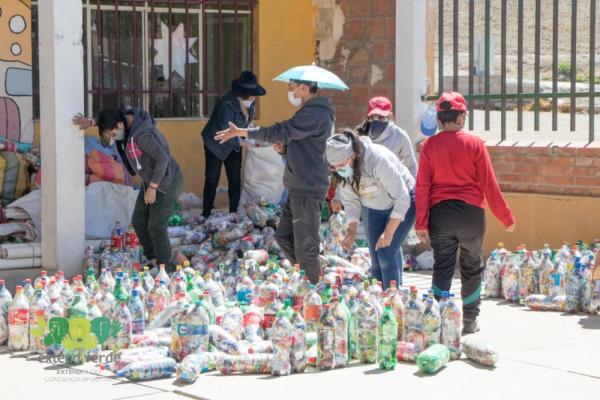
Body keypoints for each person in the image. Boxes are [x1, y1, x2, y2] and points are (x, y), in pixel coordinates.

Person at [415, 91, 516, 334]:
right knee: (471, 268)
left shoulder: (428, 146)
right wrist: (506, 217)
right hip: (471, 215)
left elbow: (422, 187)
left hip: (440, 215)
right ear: (461, 118)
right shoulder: (475, 144)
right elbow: (488, 185)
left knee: (443, 267)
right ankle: (470, 321)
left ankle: (437, 319)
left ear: (439, 119)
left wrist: (421, 222)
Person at [215, 79, 334, 284]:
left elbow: (281, 131)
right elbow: (307, 145)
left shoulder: (314, 114)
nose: (290, 92)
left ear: (303, 88)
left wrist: (242, 132)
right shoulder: (310, 112)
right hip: (298, 185)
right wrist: (286, 149)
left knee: (306, 247)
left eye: (291, 87)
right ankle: (309, 278)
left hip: (307, 188)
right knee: (283, 237)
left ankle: (314, 290)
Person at [73, 107, 183, 271]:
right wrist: (91, 122)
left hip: (166, 179)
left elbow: (163, 159)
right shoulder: (123, 120)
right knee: (139, 221)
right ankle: (154, 260)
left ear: (120, 125)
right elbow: (111, 116)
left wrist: (153, 187)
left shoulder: (142, 136)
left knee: (156, 226)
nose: (113, 137)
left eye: (112, 134)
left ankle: (166, 269)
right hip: (150, 179)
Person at [325, 130, 415, 290]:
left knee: (386, 254)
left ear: (353, 156)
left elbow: (402, 197)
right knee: (376, 257)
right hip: (373, 205)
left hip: (403, 200)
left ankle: (392, 300)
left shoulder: (377, 160)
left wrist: (388, 232)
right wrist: (351, 232)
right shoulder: (344, 172)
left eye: (341, 165)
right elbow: (351, 201)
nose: (339, 170)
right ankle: (378, 298)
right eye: (335, 168)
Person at [201, 70, 266, 218]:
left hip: (234, 146)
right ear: (242, 94)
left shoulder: (250, 102)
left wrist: (249, 134)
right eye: (251, 95)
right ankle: (205, 213)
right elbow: (226, 132)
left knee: (234, 178)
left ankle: (233, 213)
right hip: (215, 143)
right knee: (212, 178)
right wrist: (245, 143)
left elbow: (247, 123)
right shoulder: (226, 105)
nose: (253, 98)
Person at [357, 96, 417, 177]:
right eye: (372, 117)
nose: (376, 121)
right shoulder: (361, 135)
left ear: (390, 116)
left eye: (381, 117)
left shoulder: (400, 136)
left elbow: (411, 166)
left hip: (393, 182)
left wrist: (412, 187)